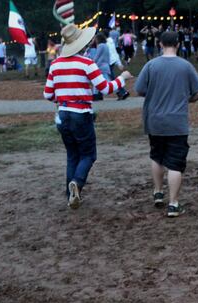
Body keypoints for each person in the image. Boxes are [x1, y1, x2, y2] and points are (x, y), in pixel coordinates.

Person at [44, 24, 133, 210]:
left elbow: (48, 94)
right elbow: (105, 88)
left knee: (72, 155)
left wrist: (60, 98)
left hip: (63, 113)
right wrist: (123, 78)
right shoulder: (86, 63)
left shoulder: (55, 64)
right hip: (81, 114)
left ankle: (72, 195)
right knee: (88, 154)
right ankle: (77, 182)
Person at [134, 31, 198, 218]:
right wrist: (185, 99)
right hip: (177, 121)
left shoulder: (151, 65)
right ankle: (173, 203)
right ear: (179, 44)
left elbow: (139, 90)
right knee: (175, 162)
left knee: (157, 155)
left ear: (160, 44)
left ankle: (158, 192)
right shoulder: (186, 66)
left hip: (154, 120)